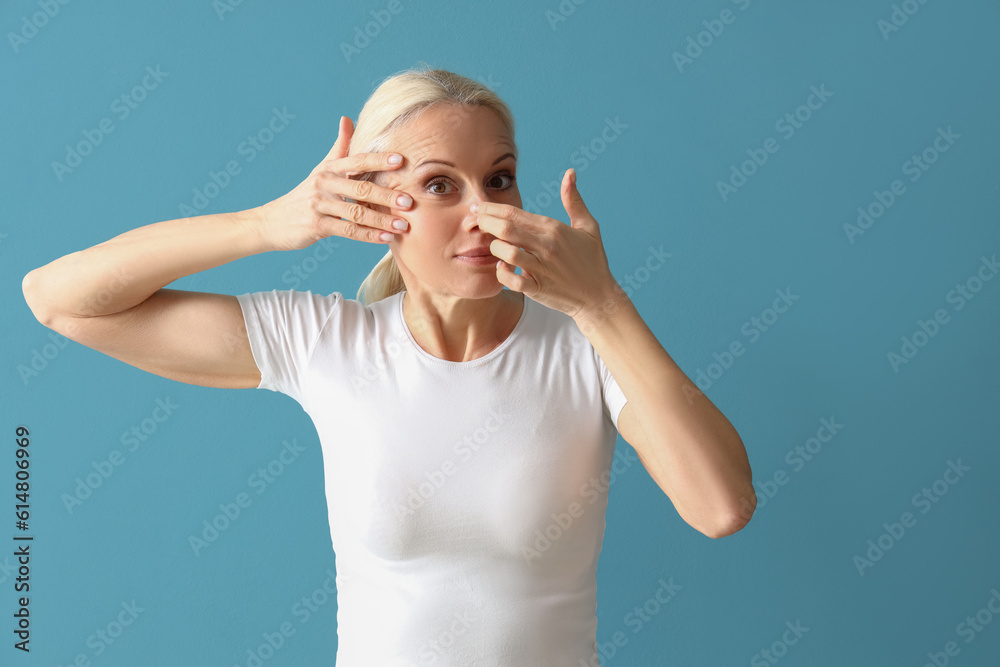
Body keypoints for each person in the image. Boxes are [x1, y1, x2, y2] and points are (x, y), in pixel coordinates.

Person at [22, 64, 755, 665]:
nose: (480, 209)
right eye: (442, 185)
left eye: (498, 179)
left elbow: (720, 506)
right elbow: (60, 300)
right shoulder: (325, 342)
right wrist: (268, 224)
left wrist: (601, 303)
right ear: (371, 204)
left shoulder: (586, 347)